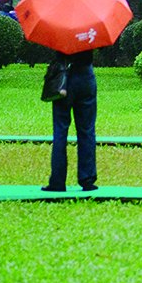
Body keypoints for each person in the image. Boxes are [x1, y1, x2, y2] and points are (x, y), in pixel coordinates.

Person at [43, 48, 98, 192]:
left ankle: (57, 181)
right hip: (86, 75)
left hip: (63, 77)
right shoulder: (89, 26)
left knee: (60, 131)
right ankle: (88, 179)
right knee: (87, 130)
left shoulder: (58, 26)